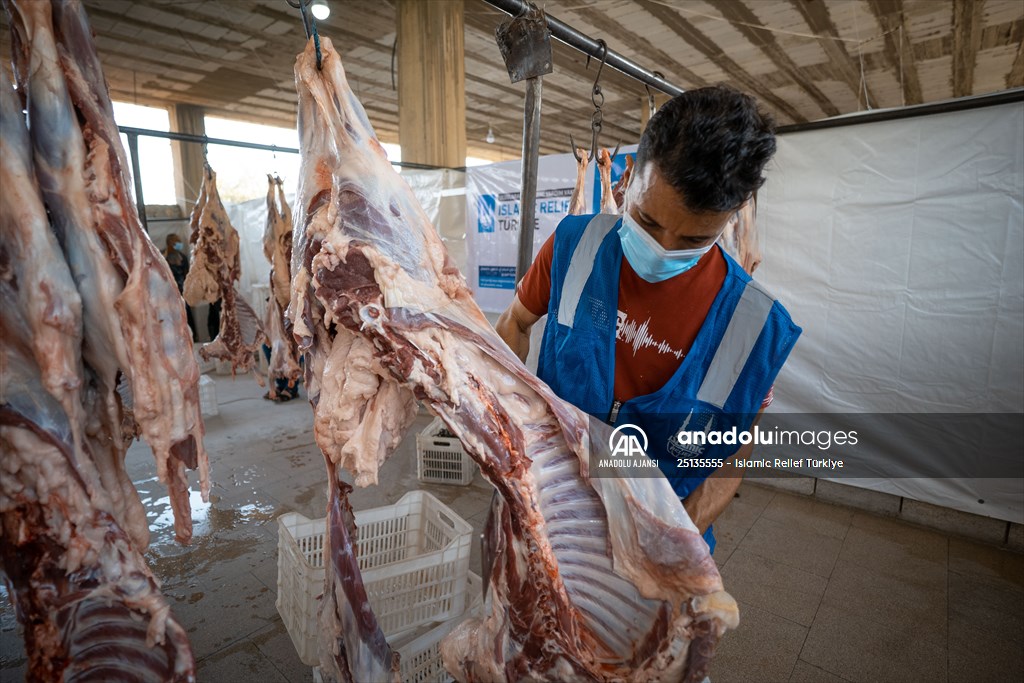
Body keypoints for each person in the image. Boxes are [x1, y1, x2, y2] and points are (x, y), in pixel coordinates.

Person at [495, 85, 802, 554]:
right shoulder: (574, 247)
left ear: (733, 215)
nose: (665, 248)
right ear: (631, 175)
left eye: (694, 239)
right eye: (648, 221)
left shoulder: (755, 327)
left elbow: (731, 458)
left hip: (658, 529)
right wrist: (504, 426)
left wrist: (671, 541)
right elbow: (515, 323)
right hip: (548, 507)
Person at [163, 233, 196, 341]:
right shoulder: (165, 259)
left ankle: (192, 338)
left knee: (188, 316)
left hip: (183, 291)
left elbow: (187, 275)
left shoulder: (183, 257)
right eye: (177, 242)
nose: (179, 244)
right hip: (171, 292)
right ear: (171, 243)